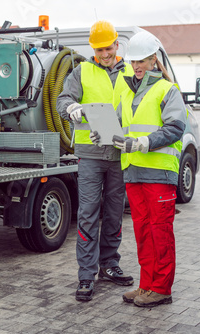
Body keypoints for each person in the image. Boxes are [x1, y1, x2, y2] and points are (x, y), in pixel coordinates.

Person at [57, 20, 134, 302]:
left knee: (114, 213)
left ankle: (110, 265)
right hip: (90, 154)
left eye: (109, 47)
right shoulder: (82, 71)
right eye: (100, 49)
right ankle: (86, 276)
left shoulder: (130, 71)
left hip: (120, 153)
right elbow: (62, 99)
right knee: (88, 215)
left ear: (117, 44)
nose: (105, 53)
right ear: (94, 48)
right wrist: (71, 108)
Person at [112, 30, 187, 308]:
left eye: (142, 60)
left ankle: (162, 289)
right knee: (143, 232)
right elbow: (123, 127)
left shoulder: (168, 90)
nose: (137, 66)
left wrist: (144, 142)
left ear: (154, 60)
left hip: (159, 174)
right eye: (133, 62)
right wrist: (106, 134)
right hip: (133, 171)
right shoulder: (130, 92)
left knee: (160, 232)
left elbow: (176, 128)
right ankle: (146, 285)